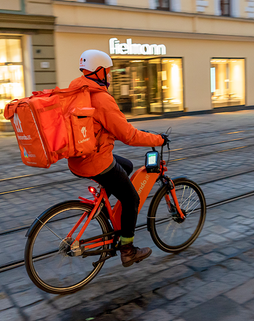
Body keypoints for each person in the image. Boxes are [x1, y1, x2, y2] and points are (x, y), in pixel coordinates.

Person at [68, 49, 167, 267]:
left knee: (127, 165)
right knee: (131, 199)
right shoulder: (102, 99)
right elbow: (128, 135)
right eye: (109, 71)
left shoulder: (76, 92)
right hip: (95, 161)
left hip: (77, 159)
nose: (110, 75)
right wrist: (158, 139)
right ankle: (128, 250)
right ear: (100, 71)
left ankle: (103, 208)